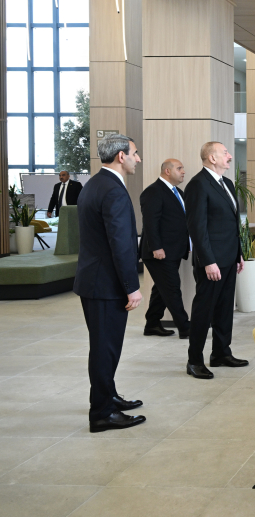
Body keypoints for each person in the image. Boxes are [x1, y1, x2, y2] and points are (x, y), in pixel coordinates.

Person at [73, 134, 146, 433]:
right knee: (105, 349)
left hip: (95, 280)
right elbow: (120, 244)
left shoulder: (95, 184)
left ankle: (109, 396)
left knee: (105, 347)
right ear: (120, 156)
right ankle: (102, 413)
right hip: (105, 285)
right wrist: (131, 286)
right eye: (135, 153)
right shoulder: (113, 190)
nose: (138, 159)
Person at [184, 142, 246, 379]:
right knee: (204, 311)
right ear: (212, 158)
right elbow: (197, 228)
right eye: (225, 153)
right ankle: (194, 360)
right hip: (211, 261)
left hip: (229, 257)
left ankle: (221, 353)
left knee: (224, 309)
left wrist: (238, 253)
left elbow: (232, 224)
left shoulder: (226, 183)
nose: (229, 156)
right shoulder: (198, 184)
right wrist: (208, 260)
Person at [140, 159, 191, 339]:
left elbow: (181, 222)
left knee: (162, 288)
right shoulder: (153, 191)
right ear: (167, 171)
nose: (183, 171)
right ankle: (185, 328)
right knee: (171, 288)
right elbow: (150, 223)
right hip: (159, 252)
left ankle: (152, 324)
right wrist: (156, 247)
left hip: (174, 250)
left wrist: (188, 244)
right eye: (179, 168)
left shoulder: (179, 192)